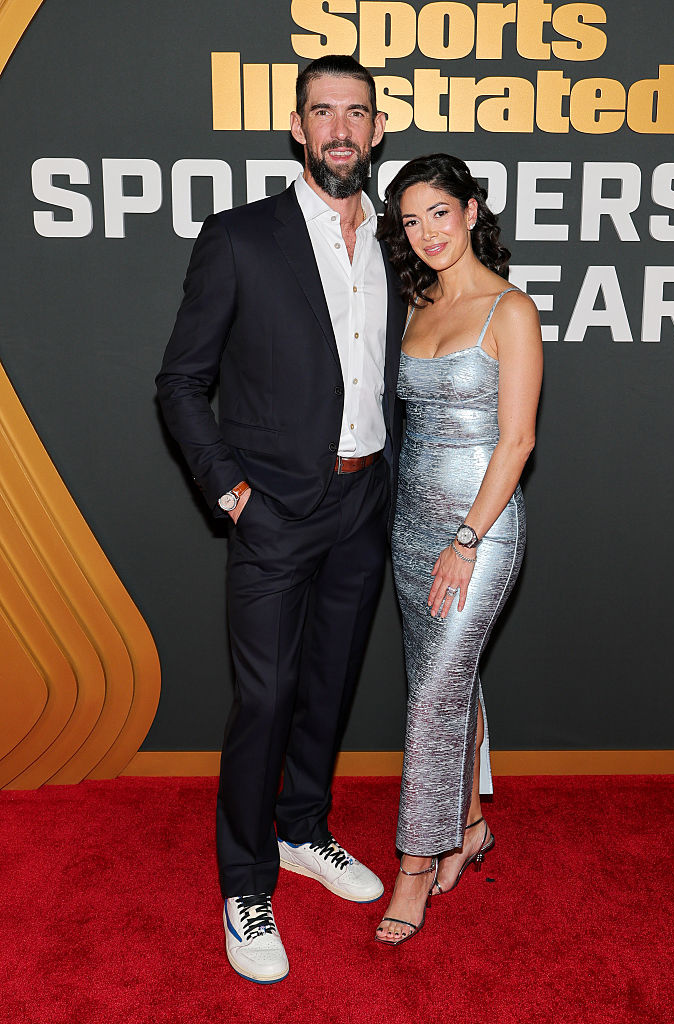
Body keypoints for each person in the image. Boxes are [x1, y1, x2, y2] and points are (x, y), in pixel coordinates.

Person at [156, 55, 405, 982]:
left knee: (329, 683)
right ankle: (244, 882)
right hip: (273, 509)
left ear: (377, 129)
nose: (340, 128)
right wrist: (232, 493)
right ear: (297, 128)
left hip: (364, 500)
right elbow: (181, 382)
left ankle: (302, 830)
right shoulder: (240, 237)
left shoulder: (400, 242)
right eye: (322, 111)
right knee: (264, 697)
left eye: (357, 112)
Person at [374, 154, 543, 945]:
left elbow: (517, 442)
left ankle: (415, 862)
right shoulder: (416, 304)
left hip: (480, 530)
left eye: (438, 213)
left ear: (471, 210)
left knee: (432, 695)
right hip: (409, 527)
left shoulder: (510, 310)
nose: (426, 232)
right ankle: (469, 823)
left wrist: (466, 539)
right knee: (446, 682)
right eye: (410, 221)